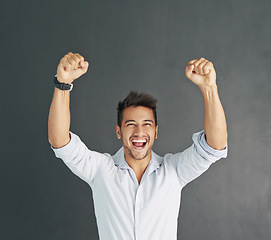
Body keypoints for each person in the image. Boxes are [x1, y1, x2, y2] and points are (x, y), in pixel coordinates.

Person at [48, 52, 228, 240]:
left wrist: (209, 88)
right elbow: (59, 140)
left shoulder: (174, 171)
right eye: (130, 124)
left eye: (147, 124)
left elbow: (214, 146)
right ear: (119, 131)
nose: (139, 131)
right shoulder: (100, 170)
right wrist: (63, 84)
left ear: (156, 132)